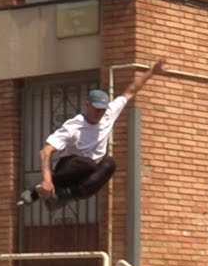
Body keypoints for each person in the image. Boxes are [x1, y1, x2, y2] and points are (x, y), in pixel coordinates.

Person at [18, 57, 167, 207]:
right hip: (70, 167)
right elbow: (46, 151)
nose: (99, 114)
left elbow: (131, 91)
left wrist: (151, 72)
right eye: (96, 110)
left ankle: (66, 196)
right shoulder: (74, 126)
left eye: (102, 110)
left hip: (88, 171)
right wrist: (47, 179)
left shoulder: (109, 113)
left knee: (109, 163)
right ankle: (37, 190)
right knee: (88, 163)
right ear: (87, 105)